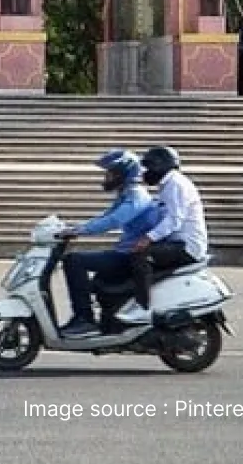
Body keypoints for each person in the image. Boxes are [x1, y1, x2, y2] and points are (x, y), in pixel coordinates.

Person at [57, 148, 158, 338]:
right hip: (125, 252)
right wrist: (75, 228)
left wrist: (80, 231)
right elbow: (106, 216)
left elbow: (114, 221)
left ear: (123, 173)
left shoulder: (136, 196)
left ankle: (84, 319)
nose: (107, 177)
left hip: (129, 256)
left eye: (110, 173)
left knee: (74, 260)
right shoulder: (127, 194)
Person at [126, 144, 209, 321]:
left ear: (159, 166)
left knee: (141, 257)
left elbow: (174, 220)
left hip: (186, 247)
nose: (145, 172)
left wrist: (148, 238)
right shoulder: (168, 185)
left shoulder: (175, 185)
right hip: (175, 242)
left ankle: (143, 308)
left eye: (148, 167)